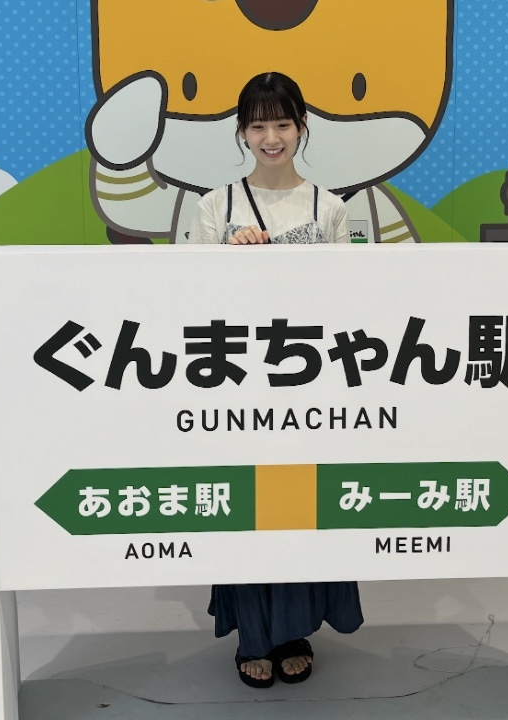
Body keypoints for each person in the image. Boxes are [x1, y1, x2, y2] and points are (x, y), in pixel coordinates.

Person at [189, 72, 363, 686]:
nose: (271, 137)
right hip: (237, 386)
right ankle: (252, 637)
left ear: (302, 128)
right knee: (247, 504)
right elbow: (189, 299)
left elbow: (354, 300)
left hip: (312, 386)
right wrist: (229, 258)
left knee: (302, 503)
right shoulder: (215, 206)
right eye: (258, 125)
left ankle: (295, 629)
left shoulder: (330, 207)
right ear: (241, 132)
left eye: (283, 123)